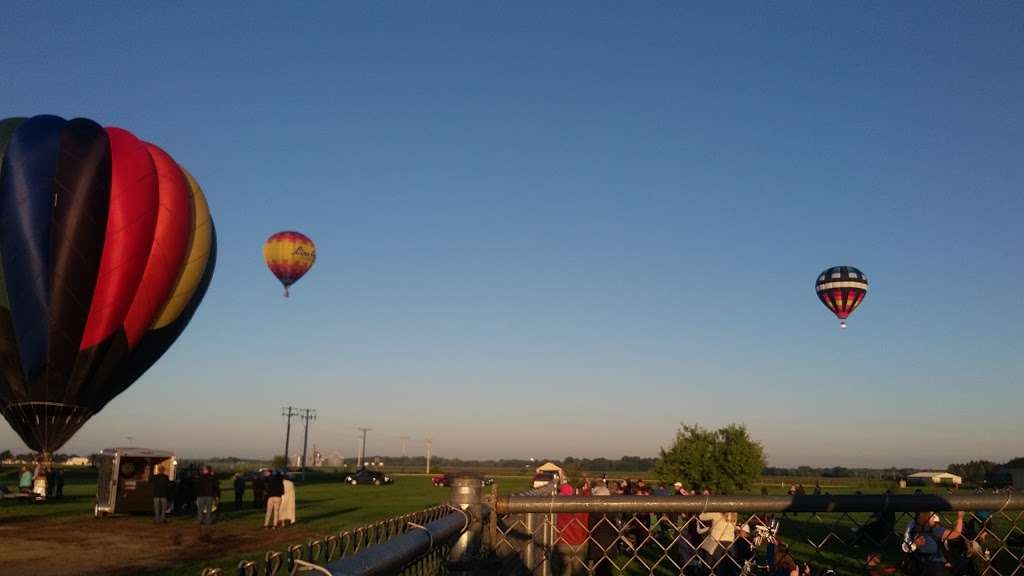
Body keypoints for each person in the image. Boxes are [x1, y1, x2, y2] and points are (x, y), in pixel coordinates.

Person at [901, 511, 965, 576]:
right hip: (935, 564)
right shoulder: (935, 530)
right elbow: (956, 533)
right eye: (932, 518)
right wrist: (960, 517)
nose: (935, 522)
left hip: (923, 564)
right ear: (927, 519)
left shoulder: (914, 529)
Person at [554, 482, 589, 576]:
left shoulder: (557, 508)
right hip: (580, 543)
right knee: (579, 571)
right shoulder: (582, 507)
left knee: (565, 572)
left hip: (563, 543)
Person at [587, 482, 617, 576]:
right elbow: (616, 530)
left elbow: (590, 529)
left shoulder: (593, 513)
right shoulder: (611, 513)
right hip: (609, 546)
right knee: (606, 571)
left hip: (597, 547)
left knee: (600, 571)